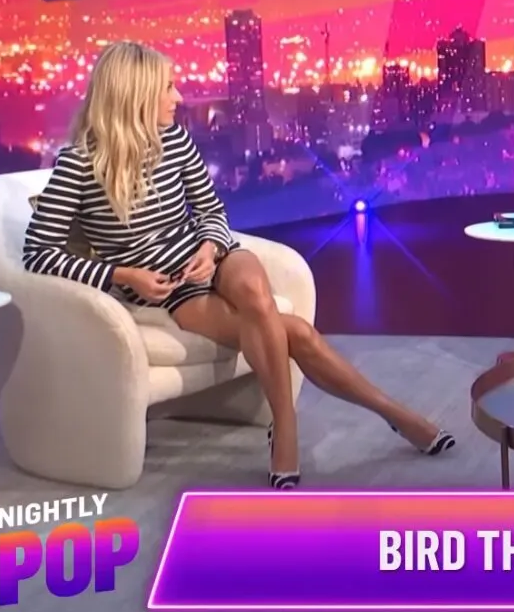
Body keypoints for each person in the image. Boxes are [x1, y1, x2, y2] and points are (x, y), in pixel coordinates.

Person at [23, 41, 456, 489]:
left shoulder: (175, 141)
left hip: (215, 255)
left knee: (253, 293)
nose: (178, 98)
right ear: (136, 93)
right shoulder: (79, 165)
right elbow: (38, 253)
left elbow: (211, 210)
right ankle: (388, 415)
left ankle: (285, 431)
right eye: (168, 88)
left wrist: (210, 246)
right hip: (174, 289)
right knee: (296, 333)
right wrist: (123, 275)